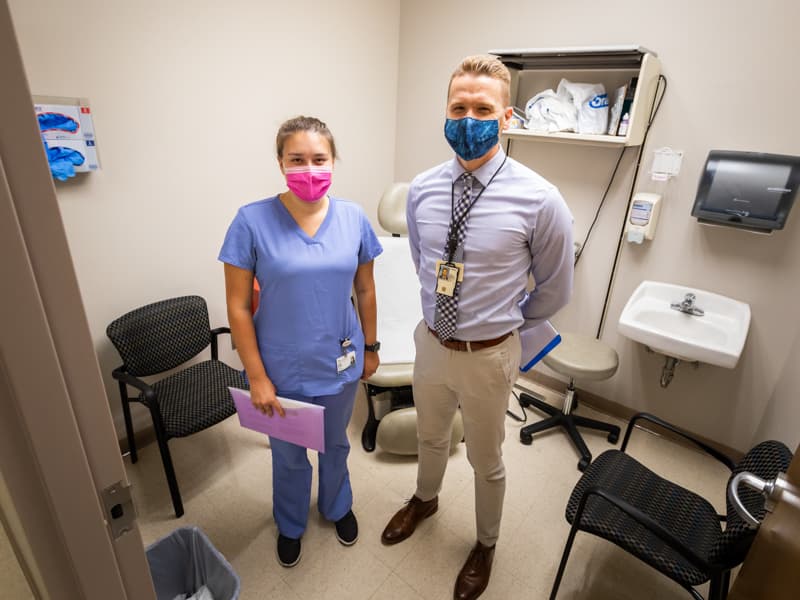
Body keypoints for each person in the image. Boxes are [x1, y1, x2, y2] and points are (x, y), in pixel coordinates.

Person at [381, 55, 574, 599]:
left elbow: (556, 290)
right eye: (458, 107)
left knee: (487, 459)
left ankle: (485, 543)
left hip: (490, 354)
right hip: (431, 343)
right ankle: (425, 498)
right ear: (445, 112)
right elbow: (424, 263)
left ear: (506, 117)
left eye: (483, 109)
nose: (469, 119)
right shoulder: (421, 189)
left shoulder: (541, 199)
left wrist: (501, 329)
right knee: (430, 434)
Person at [219, 116, 383, 568]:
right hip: (280, 369)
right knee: (288, 455)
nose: (308, 168)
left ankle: (336, 506)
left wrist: (371, 348)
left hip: (340, 361)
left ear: (333, 162)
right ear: (280, 163)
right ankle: (291, 522)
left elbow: (365, 289)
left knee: (335, 445)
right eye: (297, 159)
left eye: (319, 159)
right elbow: (237, 307)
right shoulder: (251, 221)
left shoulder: (352, 218)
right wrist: (256, 375)